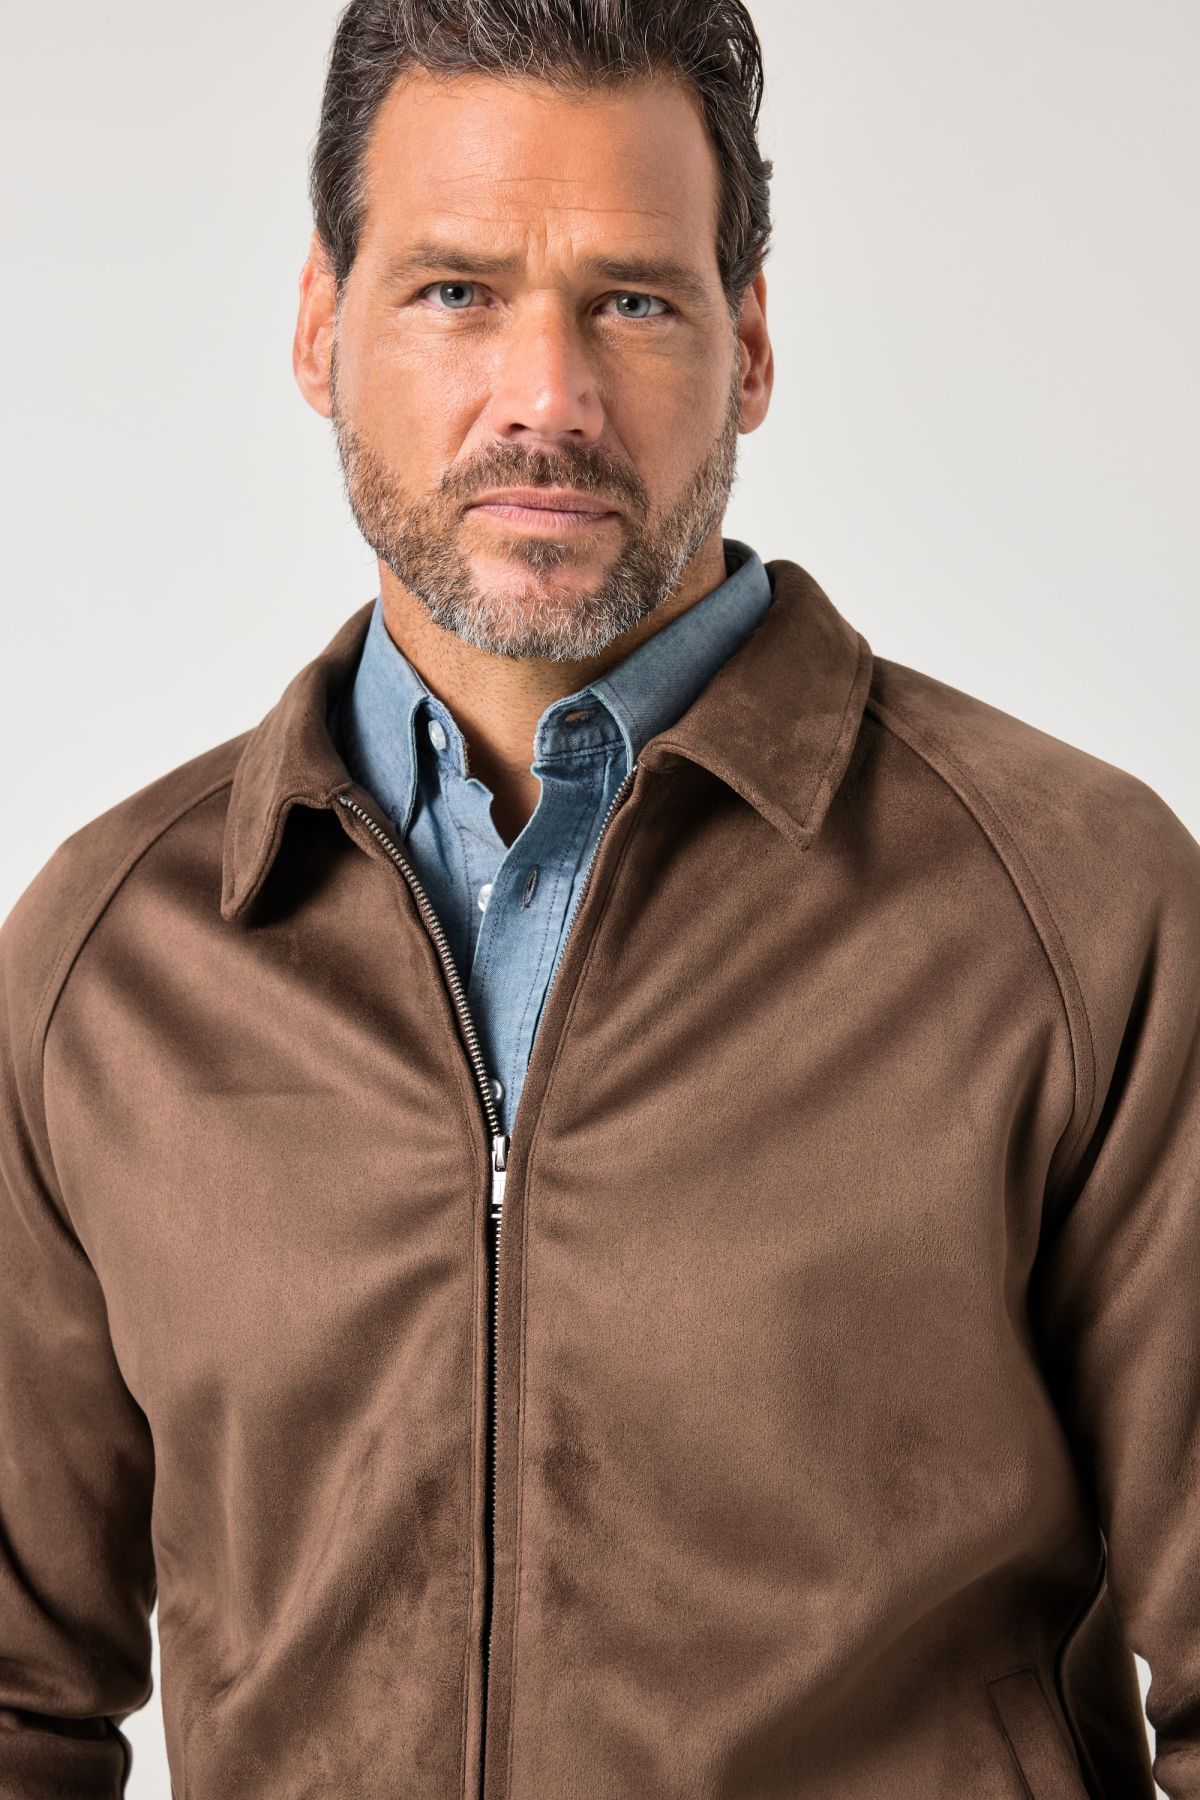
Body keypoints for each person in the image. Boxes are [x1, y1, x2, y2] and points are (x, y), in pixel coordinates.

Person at [0, 1, 1195, 1795]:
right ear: (321, 325)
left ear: (751, 344)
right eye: (456, 292)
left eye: (630, 301)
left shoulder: (1078, 912)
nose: (545, 398)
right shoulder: (108, 964)